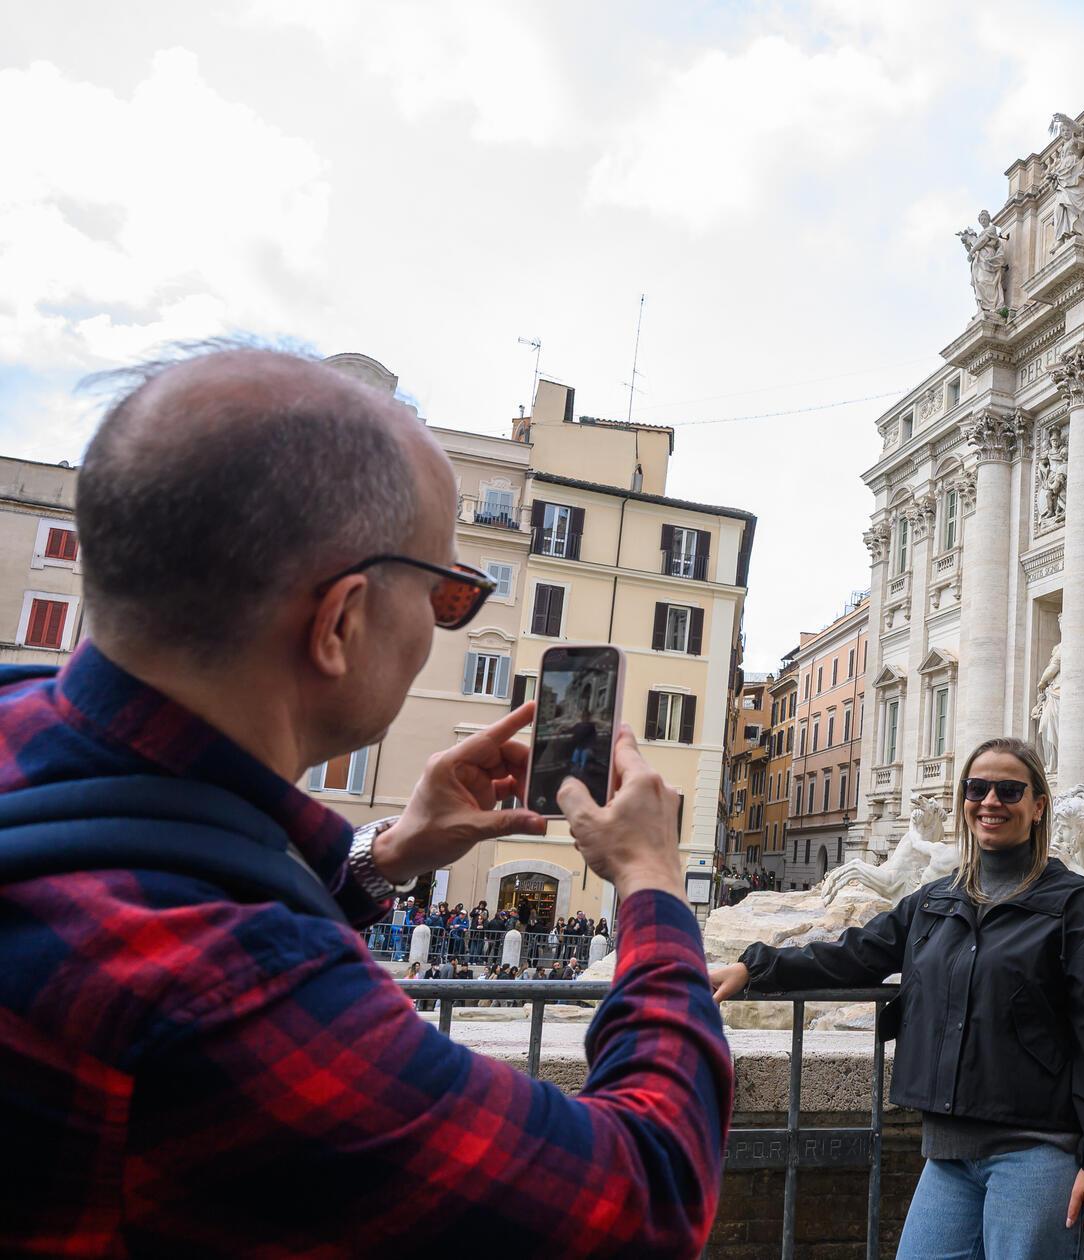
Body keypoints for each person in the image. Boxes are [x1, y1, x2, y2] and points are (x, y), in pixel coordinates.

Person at [0, 347, 730, 1253]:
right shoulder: (227, 983)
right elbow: (646, 1200)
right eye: (450, 594)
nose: (444, 623)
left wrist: (380, 858)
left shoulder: (22, 717)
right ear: (341, 622)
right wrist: (652, 884)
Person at [710, 737, 1084, 1257]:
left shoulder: (1075, 907)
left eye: (1009, 790)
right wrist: (753, 966)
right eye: (977, 788)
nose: (991, 802)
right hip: (948, 1153)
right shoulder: (936, 899)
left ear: (1038, 806)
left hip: (1040, 1152)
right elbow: (855, 954)